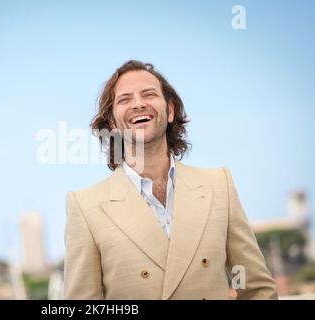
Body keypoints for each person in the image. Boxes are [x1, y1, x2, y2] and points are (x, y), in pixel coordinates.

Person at [64, 60, 277, 300]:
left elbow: (256, 288)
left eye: (149, 94)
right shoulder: (85, 206)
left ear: (171, 111)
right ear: (112, 123)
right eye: (124, 99)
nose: (138, 104)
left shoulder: (219, 185)